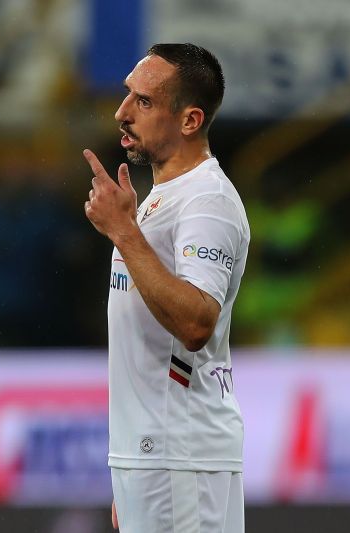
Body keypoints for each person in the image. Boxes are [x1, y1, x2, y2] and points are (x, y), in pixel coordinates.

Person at [83, 44, 249, 532]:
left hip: (183, 455)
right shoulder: (164, 198)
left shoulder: (207, 201)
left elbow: (197, 322)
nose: (122, 112)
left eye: (145, 102)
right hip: (153, 458)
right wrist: (134, 469)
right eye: (127, 95)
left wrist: (124, 232)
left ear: (190, 120)